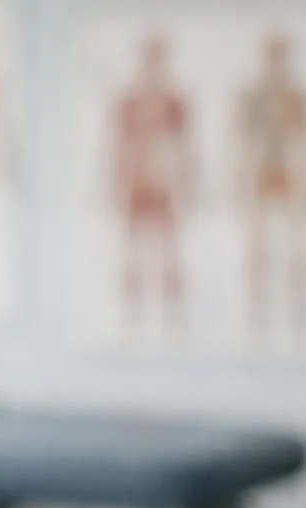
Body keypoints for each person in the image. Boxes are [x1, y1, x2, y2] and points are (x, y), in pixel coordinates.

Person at [233, 33, 306, 333]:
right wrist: (239, 177)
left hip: (291, 172)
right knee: (258, 245)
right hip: (260, 172)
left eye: (280, 56)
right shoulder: (253, 97)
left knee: (297, 244)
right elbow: (240, 141)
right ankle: (256, 310)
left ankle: (300, 309)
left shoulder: (296, 97)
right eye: (272, 56)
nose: (276, 63)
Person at [109, 37, 194, 328]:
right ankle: (131, 310)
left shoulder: (174, 100)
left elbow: (184, 144)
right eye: (150, 57)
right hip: (136, 173)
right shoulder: (129, 100)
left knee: (168, 243)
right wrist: (114, 179)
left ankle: (174, 310)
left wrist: (187, 179)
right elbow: (118, 142)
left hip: (162, 174)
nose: (153, 64)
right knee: (133, 242)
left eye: (157, 57)